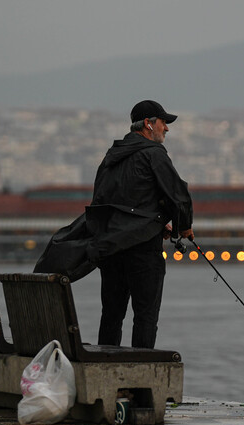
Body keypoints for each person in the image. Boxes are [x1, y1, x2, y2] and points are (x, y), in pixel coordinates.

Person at [33, 99, 193, 348]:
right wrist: (184, 227)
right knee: (145, 315)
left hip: (111, 249)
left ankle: (106, 361)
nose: (167, 129)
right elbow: (178, 195)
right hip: (142, 251)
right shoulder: (154, 154)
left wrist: (157, 225)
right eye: (163, 123)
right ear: (149, 125)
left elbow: (109, 205)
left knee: (111, 315)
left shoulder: (111, 157)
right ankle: (141, 371)